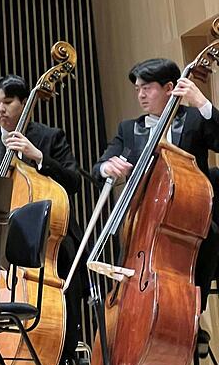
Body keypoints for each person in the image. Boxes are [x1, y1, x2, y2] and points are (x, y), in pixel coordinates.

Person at [92, 58, 219, 314]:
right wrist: (108, 168)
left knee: (211, 234)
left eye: (147, 88)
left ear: (169, 88)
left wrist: (203, 104)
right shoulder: (130, 129)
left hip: (189, 221)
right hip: (145, 223)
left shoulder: (196, 119)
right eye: (137, 89)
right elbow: (101, 166)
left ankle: (193, 312)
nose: (140, 95)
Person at [0, 74, 84, 365]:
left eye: (8, 102)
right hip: (3, 242)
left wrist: (38, 156)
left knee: (67, 263)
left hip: (49, 239)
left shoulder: (48, 137)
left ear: (24, 102)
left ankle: (66, 356)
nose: (1, 110)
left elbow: (73, 182)